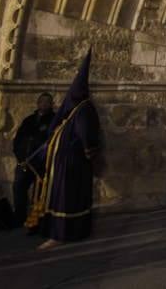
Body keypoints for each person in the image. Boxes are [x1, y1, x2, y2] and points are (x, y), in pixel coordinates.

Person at [27, 50, 100, 250]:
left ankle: (60, 234)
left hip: (71, 166)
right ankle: (64, 231)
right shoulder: (75, 111)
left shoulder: (83, 109)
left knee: (66, 199)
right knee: (64, 198)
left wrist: (88, 154)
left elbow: (87, 136)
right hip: (63, 165)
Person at [12, 92, 55, 227]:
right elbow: (18, 140)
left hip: (40, 164)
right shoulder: (29, 120)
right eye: (42, 101)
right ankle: (19, 218)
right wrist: (20, 158)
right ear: (38, 103)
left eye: (47, 102)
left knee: (40, 193)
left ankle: (36, 220)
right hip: (24, 162)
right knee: (18, 187)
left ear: (51, 104)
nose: (44, 104)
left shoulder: (54, 121)